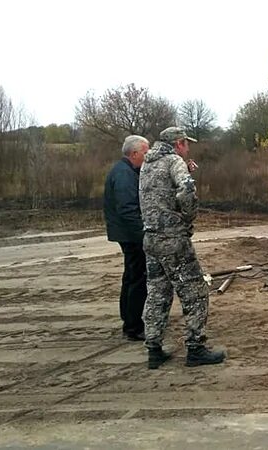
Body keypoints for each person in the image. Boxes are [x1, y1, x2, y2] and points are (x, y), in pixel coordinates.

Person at [139, 126, 225, 369]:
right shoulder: (174, 161)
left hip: (151, 237)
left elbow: (158, 192)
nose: (188, 148)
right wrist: (188, 218)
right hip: (172, 239)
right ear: (178, 144)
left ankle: (153, 348)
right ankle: (195, 348)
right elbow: (186, 190)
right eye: (186, 144)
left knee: (157, 292)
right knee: (195, 292)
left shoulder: (148, 163)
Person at [103, 135, 149, 341]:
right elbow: (128, 210)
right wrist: (143, 235)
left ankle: (129, 320)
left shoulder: (127, 171)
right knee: (137, 278)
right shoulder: (124, 175)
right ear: (134, 153)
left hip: (127, 233)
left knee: (131, 276)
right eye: (145, 153)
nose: (147, 157)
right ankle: (133, 326)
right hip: (130, 235)